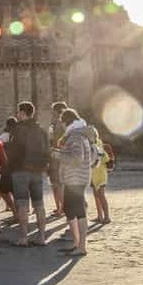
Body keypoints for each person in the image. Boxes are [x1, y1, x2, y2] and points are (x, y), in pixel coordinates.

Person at [8, 101, 49, 247]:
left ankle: (23, 237)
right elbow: (47, 151)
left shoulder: (18, 129)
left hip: (21, 170)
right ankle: (42, 237)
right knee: (39, 204)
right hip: (37, 170)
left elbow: (13, 151)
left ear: (23, 113)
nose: (17, 114)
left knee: (22, 204)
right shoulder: (41, 130)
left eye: (18, 112)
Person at [55, 108, 94, 257]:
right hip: (76, 178)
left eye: (62, 122)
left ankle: (81, 246)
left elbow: (77, 158)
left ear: (67, 122)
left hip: (76, 179)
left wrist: (57, 155)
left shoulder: (76, 137)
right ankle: (77, 243)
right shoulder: (77, 135)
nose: (61, 126)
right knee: (70, 210)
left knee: (78, 211)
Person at [48, 101, 68, 218]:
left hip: (59, 156)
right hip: (55, 156)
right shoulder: (55, 124)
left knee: (58, 184)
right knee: (55, 184)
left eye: (54, 112)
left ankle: (62, 208)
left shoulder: (62, 125)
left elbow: (59, 142)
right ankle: (59, 207)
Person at [90, 126, 111, 225]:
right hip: (93, 174)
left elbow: (106, 159)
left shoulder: (99, 145)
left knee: (101, 195)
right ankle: (99, 216)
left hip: (101, 174)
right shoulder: (89, 144)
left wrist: (100, 155)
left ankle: (107, 217)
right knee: (96, 195)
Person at [0, 117, 18, 222]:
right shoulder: (7, 135)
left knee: (5, 191)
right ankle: (16, 214)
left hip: (9, 168)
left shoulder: (8, 136)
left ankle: (16, 214)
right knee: (9, 192)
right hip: (12, 167)